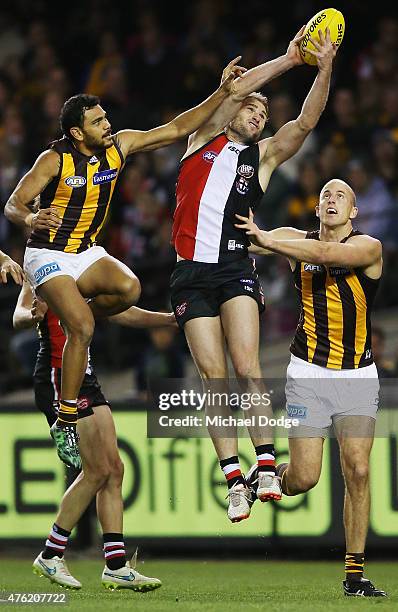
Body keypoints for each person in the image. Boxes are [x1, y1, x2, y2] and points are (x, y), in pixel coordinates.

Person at [4, 59, 241, 468]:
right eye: (98, 122)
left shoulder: (121, 146)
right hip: (48, 254)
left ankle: (78, 311)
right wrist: (29, 218)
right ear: (77, 132)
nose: (108, 125)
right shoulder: (53, 160)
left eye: (106, 117)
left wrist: (221, 93)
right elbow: (13, 204)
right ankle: (65, 420)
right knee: (82, 326)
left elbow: (177, 129)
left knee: (129, 289)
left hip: (86, 251)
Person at [169, 27, 337, 522]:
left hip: (234, 268)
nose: (260, 116)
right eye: (253, 110)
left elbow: (305, 121)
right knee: (213, 378)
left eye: (264, 114)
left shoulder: (260, 159)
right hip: (189, 275)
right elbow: (235, 91)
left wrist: (322, 67)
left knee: (247, 367)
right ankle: (234, 479)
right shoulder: (202, 139)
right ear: (233, 114)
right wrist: (288, 59)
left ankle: (265, 464)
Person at [236, 178, 387, 597]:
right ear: (317, 209)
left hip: (357, 376)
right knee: (303, 479)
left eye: (341, 196)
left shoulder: (368, 247)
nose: (332, 199)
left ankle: (355, 576)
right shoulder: (292, 240)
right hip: (307, 378)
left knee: (357, 470)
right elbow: (239, 241)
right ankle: (257, 478)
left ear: (353, 212)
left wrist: (267, 240)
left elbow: (324, 253)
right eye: (325, 195)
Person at [13, 281, 175, 591]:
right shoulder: (43, 265)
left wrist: (166, 319)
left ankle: (115, 565)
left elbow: (118, 312)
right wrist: (31, 315)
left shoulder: (85, 264)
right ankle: (51, 553)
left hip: (85, 375)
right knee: (97, 469)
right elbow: (19, 313)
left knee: (113, 470)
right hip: (58, 374)